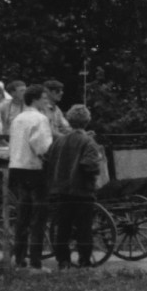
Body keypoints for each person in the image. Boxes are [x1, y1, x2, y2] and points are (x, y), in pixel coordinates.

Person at [47, 104, 106, 269]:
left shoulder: (59, 141)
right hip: (82, 192)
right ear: (87, 121)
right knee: (84, 230)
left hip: (60, 191)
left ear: (70, 121)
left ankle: (63, 261)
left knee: (62, 229)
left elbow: (48, 160)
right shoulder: (89, 142)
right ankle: (84, 261)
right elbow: (90, 166)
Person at [8, 84, 55, 268]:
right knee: (39, 218)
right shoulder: (40, 119)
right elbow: (42, 146)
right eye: (44, 98)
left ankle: (20, 259)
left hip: (17, 168)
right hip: (35, 170)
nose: (46, 101)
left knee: (23, 216)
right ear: (35, 99)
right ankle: (36, 262)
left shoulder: (18, 119)